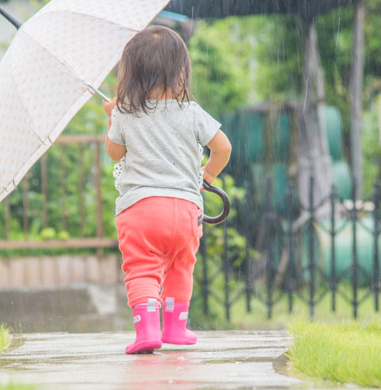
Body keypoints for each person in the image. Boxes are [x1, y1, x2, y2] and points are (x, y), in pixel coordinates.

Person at [102, 26, 232, 354]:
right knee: (180, 265)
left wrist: (111, 118)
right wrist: (208, 176)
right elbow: (224, 148)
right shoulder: (192, 113)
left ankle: (147, 330)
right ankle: (176, 327)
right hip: (186, 210)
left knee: (142, 267)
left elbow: (115, 153)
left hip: (141, 210)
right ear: (181, 72)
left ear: (131, 74)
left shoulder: (126, 112)